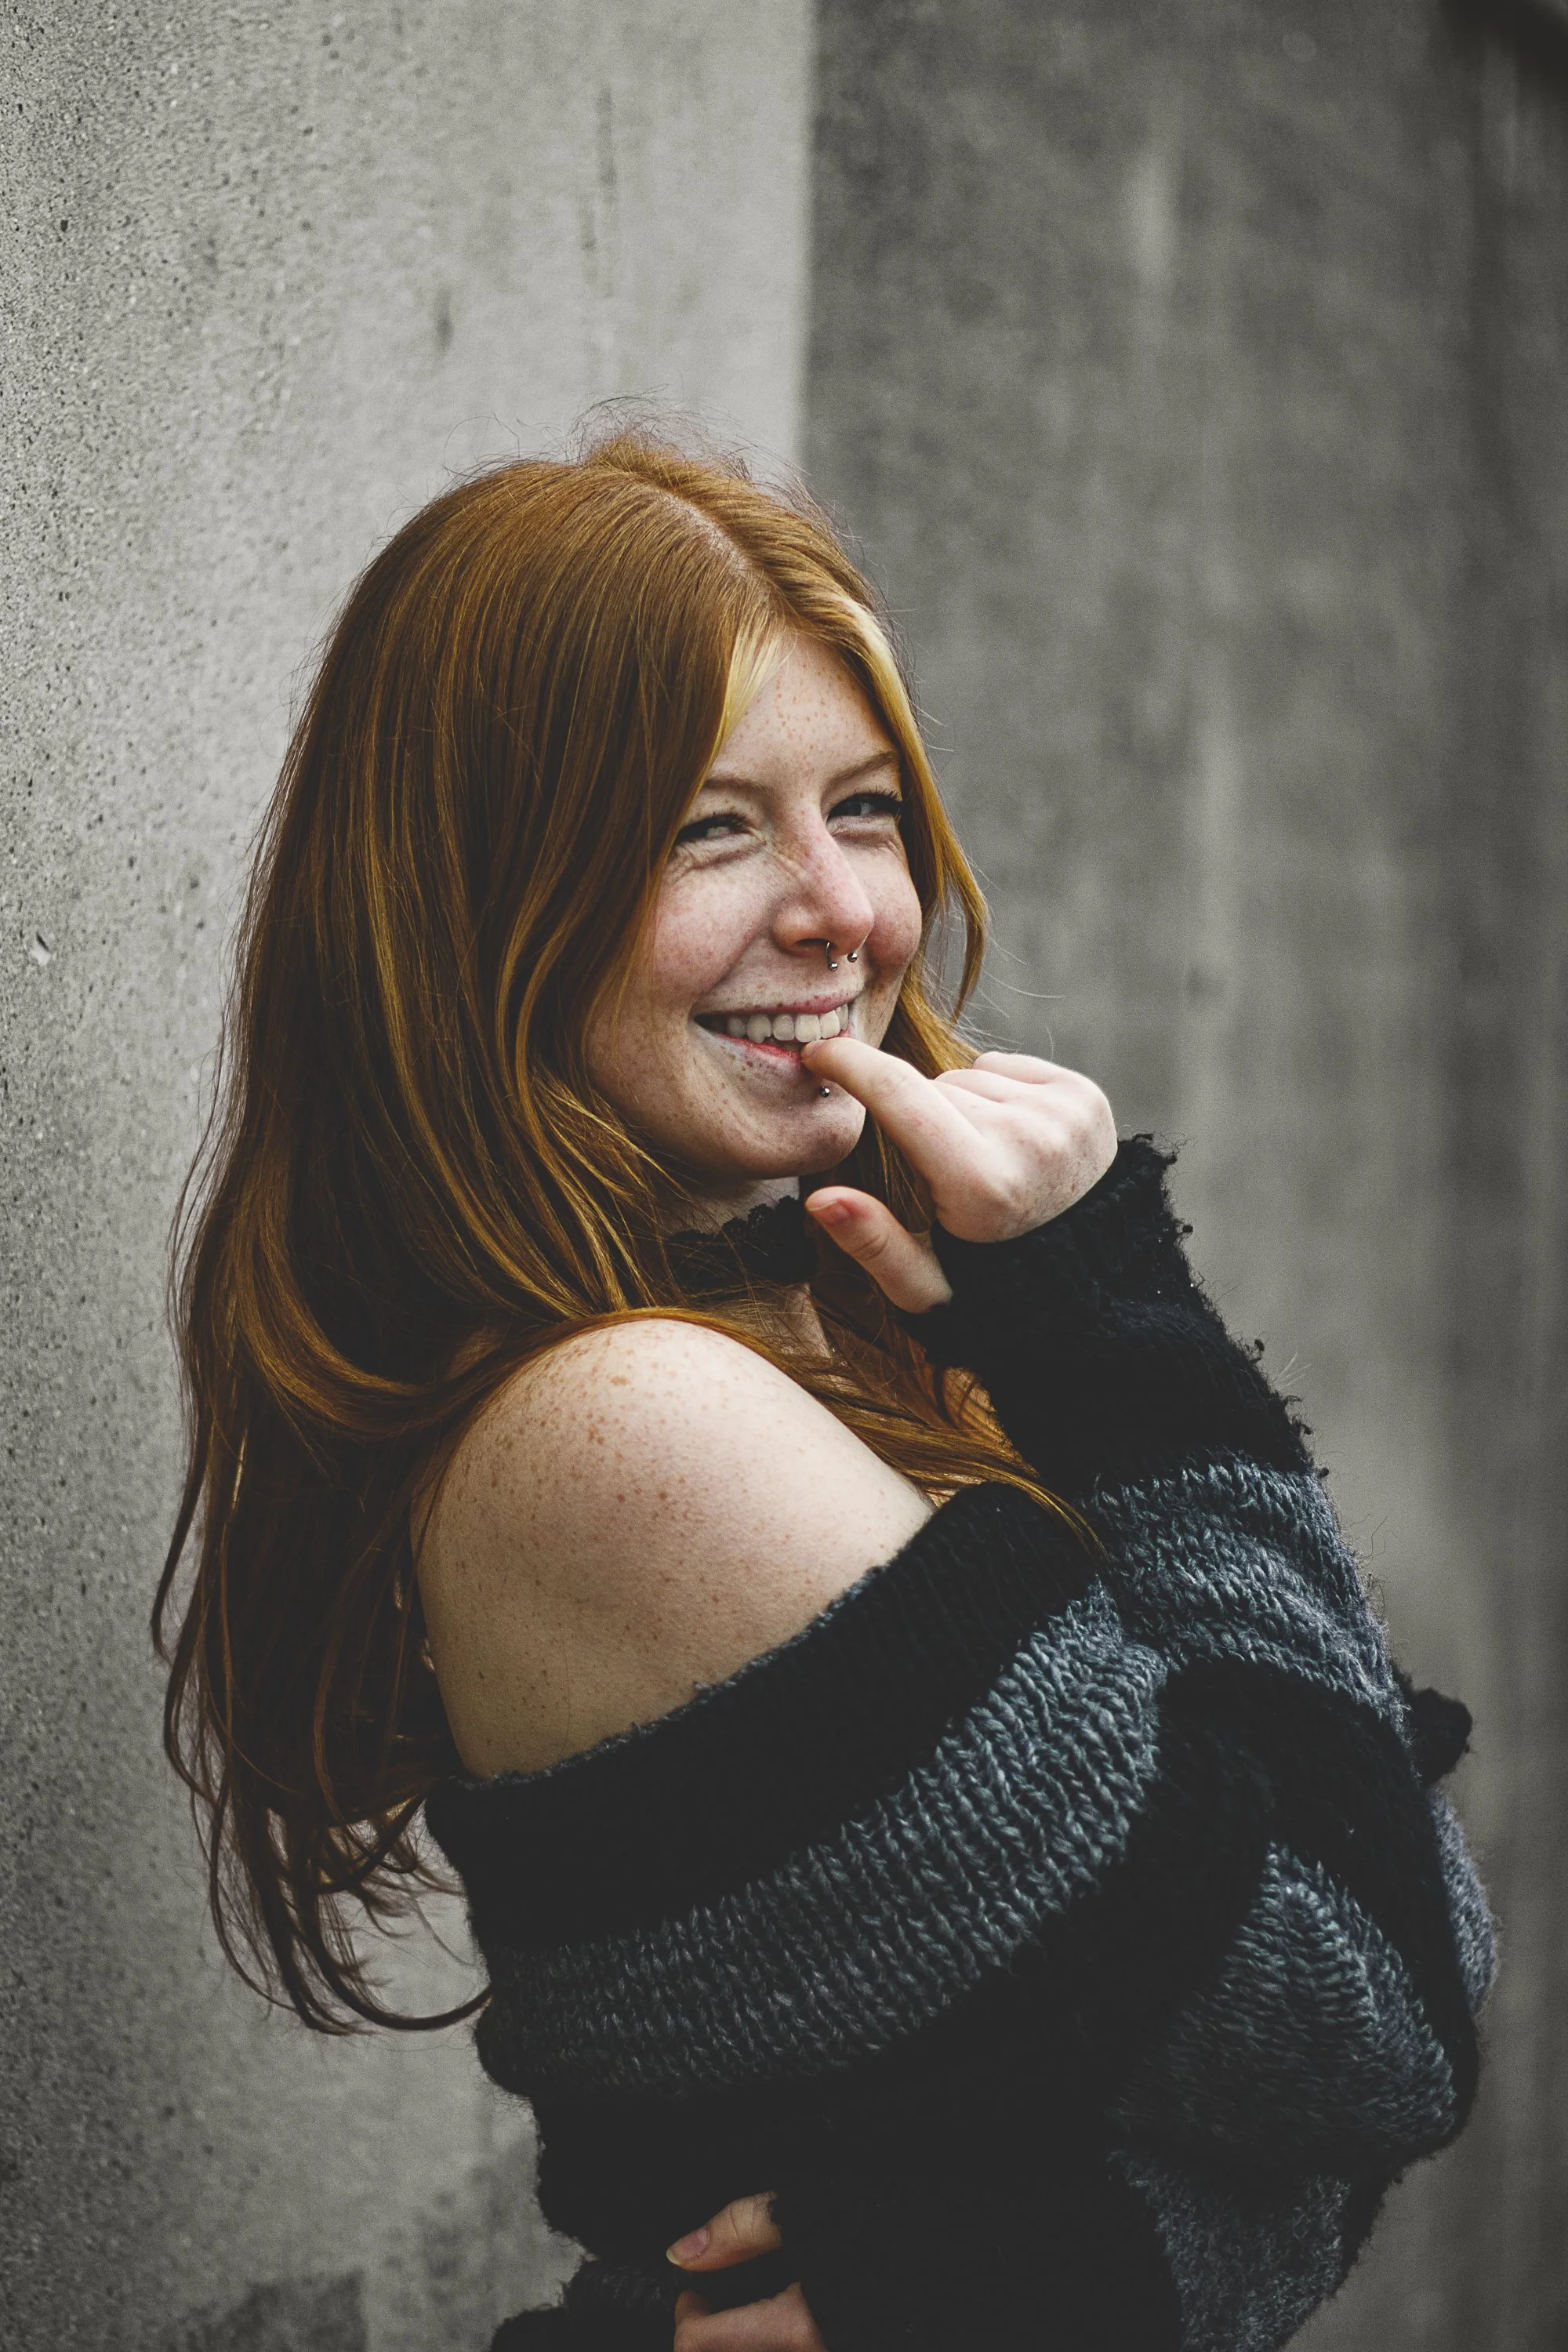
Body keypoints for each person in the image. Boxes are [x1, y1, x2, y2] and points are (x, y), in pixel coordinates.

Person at [158, 430, 1493, 2352]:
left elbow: (1363, 1915)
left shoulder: (811, 1321)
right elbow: (1377, 2005)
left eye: (863, 810)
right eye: (710, 828)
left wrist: (1061, 2275)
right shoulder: (629, 1428)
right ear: (477, 895)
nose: (844, 913)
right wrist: (1123, 1332)